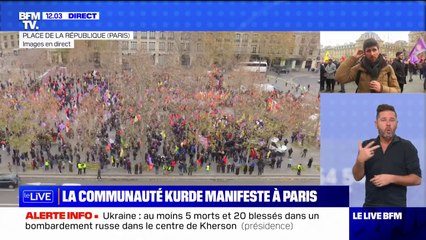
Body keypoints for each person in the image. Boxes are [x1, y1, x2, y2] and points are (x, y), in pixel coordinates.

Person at [352, 104, 421, 207]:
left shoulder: (407, 147)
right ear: (376, 124)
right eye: (383, 120)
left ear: (397, 124)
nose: (388, 124)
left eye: (392, 120)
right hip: (370, 210)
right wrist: (360, 161)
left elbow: (417, 179)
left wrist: (391, 178)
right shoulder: (367, 146)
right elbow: (357, 177)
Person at [335, 38, 400, 93]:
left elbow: (397, 90)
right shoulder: (359, 68)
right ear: (364, 53)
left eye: (374, 50)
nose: (372, 54)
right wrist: (353, 58)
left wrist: (382, 88)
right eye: (368, 51)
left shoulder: (388, 68)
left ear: (379, 51)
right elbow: (339, 78)